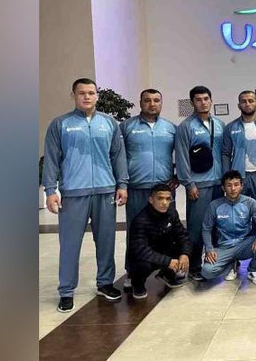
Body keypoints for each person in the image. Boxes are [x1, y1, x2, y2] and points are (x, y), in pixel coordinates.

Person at [42, 78, 128, 312]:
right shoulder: (60, 124)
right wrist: (50, 190)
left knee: (106, 241)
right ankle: (66, 291)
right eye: (82, 93)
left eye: (91, 92)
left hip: (105, 190)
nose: (87, 97)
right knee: (69, 244)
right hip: (73, 193)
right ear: (74, 96)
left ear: (97, 95)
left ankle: (105, 283)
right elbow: (51, 158)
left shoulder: (109, 123)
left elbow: (118, 155)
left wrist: (122, 184)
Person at [119, 88, 178, 290]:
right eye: (147, 100)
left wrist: (178, 175)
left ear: (161, 103)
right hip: (137, 187)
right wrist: (122, 183)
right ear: (140, 102)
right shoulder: (126, 127)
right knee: (136, 231)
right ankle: (132, 272)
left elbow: (181, 153)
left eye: (156, 100)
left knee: (168, 231)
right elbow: (118, 156)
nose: (152, 104)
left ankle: (168, 270)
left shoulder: (171, 128)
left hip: (164, 189)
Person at [175, 85, 226, 281]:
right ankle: (194, 265)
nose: (203, 103)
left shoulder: (220, 125)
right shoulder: (186, 127)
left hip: (218, 183)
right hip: (199, 185)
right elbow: (181, 157)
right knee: (196, 228)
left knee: (217, 225)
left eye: (206, 99)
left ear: (211, 100)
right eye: (198, 99)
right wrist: (189, 184)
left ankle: (215, 262)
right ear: (192, 103)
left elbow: (225, 153)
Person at [201, 171, 256, 285]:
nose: (233, 189)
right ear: (223, 188)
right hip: (224, 247)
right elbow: (206, 229)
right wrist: (209, 248)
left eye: (236, 185)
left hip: (244, 245)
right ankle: (230, 264)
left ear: (242, 186)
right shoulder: (214, 205)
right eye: (229, 185)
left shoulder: (250, 203)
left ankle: (253, 270)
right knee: (207, 271)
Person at [127, 184, 190, 299]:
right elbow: (140, 249)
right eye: (160, 198)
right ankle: (137, 284)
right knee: (142, 264)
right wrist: (167, 261)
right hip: (146, 255)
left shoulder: (172, 213)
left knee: (185, 246)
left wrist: (185, 254)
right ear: (151, 200)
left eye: (168, 199)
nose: (164, 203)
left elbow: (182, 235)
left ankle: (167, 274)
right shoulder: (140, 220)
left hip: (163, 248)